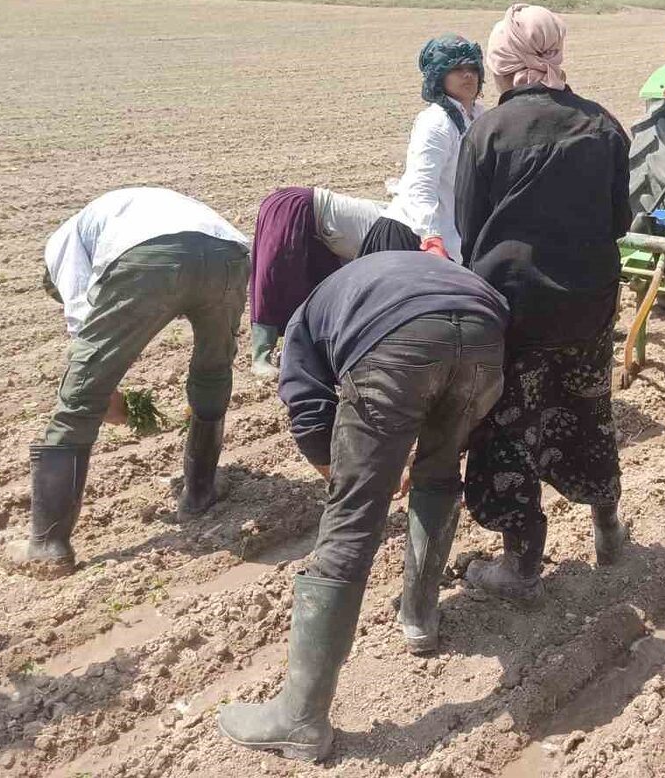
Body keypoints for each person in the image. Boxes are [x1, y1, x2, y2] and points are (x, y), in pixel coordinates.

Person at [217, 252, 507, 762]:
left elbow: (308, 408)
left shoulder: (307, 315)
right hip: (487, 336)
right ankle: (419, 620)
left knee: (353, 516)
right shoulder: (408, 273)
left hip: (397, 344)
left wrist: (348, 475)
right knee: (439, 474)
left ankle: (300, 719)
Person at [456, 3, 632, 600]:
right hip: (587, 306)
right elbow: (618, 220)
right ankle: (608, 529)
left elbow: (468, 227)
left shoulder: (486, 132)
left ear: (502, 62)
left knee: (506, 427)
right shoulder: (604, 126)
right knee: (587, 409)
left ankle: (521, 561)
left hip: (512, 311)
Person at [8, 187, 250, 577]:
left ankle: (47, 545)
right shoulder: (124, 210)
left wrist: (107, 392)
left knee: (79, 402)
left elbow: (81, 319)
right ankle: (199, 494)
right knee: (213, 371)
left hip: (153, 257)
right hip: (228, 254)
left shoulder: (62, 245)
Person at [359, 35, 486, 259]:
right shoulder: (436, 121)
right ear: (439, 76)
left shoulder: (479, 116)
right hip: (411, 238)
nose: (467, 74)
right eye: (456, 68)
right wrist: (431, 238)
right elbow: (421, 186)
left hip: (452, 240)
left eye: (472, 67)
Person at [248, 186, 390, 377]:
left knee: (316, 293)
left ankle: (299, 354)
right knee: (276, 279)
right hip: (295, 207)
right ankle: (260, 358)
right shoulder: (401, 234)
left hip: (324, 235)